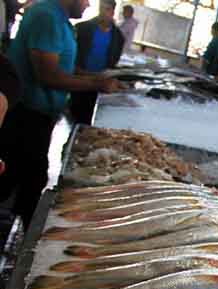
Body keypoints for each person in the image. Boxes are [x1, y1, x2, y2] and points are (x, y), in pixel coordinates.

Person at [0, 0, 120, 226]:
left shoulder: (60, 20)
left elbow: (64, 66)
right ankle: (24, 245)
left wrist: (95, 78)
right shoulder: (46, 16)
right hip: (25, 116)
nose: (88, 5)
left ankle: (15, 230)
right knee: (27, 183)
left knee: (22, 181)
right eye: (86, 0)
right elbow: (48, 74)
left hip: (38, 116)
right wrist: (96, 85)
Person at [70, 0, 125, 124]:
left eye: (105, 9)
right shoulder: (82, 28)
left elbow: (114, 61)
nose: (101, 13)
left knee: (93, 118)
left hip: (102, 84)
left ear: (112, 11)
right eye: (100, 8)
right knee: (75, 116)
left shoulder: (118, 37)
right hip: (78, 79)